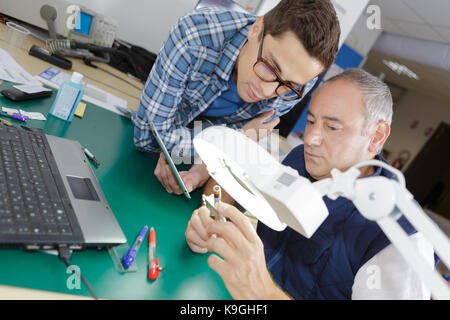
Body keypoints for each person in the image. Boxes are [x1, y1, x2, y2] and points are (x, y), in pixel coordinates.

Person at [184, 68, 436, 300]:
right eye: (312, 120)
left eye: (332, 127)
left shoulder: (402, 240)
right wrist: (211, 215)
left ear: (376, 136)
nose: (311, 138)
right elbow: (233, 184)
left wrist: (264, 293)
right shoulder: (300, 160)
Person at [132, 0, 340, 195]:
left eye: (288, 85)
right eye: (269, 67)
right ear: (256, 28)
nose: (268, 92)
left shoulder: (299, 82)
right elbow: (148, 138)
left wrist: (203, 168)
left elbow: (168, 138)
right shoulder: (195, 35)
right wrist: (242, 137)